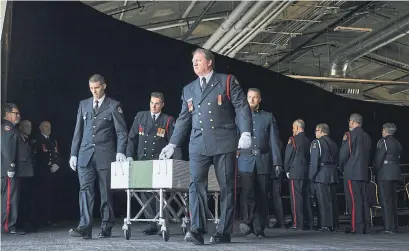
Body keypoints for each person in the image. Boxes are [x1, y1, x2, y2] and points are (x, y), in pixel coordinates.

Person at [159, 48, 252, 245]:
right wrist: (172, 143)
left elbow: (242, 106)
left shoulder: (226, 81)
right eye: (193, 60)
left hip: (224, 140)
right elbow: (184, 119)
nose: (194, 63)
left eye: (198, 60)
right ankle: (197, 229)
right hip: (198, 143)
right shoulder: (189, 89)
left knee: (226, 186)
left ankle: (223, 231)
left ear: (209, 62)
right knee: (195, 185)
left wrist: (245, 131)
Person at [68, 74, 128, 239]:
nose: (94, 91)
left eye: (97, 88)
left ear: (104, 86)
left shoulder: (113, 106)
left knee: (105, 192)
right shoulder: (84, 104)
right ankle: (84, 227)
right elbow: (77, 131)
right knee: (85, 190)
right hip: (85, 154)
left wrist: (121, 151)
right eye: (91, 88)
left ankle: (106, 225)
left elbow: (122, 132)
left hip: (105, 154)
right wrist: (74, 154)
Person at [126, 92, 182, 235]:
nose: (154, 106)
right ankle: (152, 223)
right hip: (142, 161)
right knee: (144, 193)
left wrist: (176, 163)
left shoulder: (168, 120)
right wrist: (128, 156)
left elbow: (174, 143)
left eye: (157, 103)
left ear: (162, 104)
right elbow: (132, 138)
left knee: (159, 195)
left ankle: (161, 222)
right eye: (152, 103)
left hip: (158, 163)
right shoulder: (141, 116)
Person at [237, 88, 282, 237]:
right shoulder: (239, 117)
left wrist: (277, 163)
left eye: (255, 97)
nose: (251, 100)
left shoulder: (268, 117)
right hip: (245, 159)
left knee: (262, 194)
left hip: (263, 160)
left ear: (259, 99)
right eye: (249, 97)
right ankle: (248, 222)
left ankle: (259, 227)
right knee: (248, 192)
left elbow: (274, 141)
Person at [339, 113, 371, 234]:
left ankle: (356, 227)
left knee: (353, 200)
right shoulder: (367, 136)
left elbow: (343, 154)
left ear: (352, 122)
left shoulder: (349, 135)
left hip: (351, 172)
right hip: (363, 172)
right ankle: (366, 226)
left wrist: (341, 168)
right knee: (363, 199)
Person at [309, 123, 339, 232]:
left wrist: (311, 176)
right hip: (332, 173)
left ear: (321, 131)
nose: (315, 133)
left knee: (323, 201)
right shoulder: (333, 143)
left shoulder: (316, 143)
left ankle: (325, 224)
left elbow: (314, 161)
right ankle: (334, 223)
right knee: (332, 200)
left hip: (321, 174)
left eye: (316, 130)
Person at [284, 119, 313, 230]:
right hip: (306, 172)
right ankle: (308, 222)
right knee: (306, 197)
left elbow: (288, 157)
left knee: (296, 199)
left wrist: (286, 170)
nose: (292, 130)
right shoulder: (308, 141)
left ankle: (298, 223)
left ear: (297, 127)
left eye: (293, 127)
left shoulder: (293, 139)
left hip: (295, 172)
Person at [373, 123, 402, 234]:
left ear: (386, 130)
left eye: (382, 129)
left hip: (385, 173)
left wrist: (376, 170)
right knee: (393, 200)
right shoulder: (397, 142)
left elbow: (379, 158)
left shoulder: (383, 142)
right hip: (395, 173)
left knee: (385, 200)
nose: (382, 131)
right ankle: (395, 226)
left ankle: (388, 227)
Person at [1, 103, 25, 235]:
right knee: (9, 198)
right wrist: (11, 166)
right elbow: (7, 149)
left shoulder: (11, 128)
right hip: (8, 170)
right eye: (16, 113)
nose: (18, 116)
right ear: (8, 114)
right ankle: (8, 226)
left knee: (11, 198)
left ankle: (11, 225)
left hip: (9, 170)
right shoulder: (7, 128)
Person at [34, 121, 62, 226]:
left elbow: (57, 154)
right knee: (42, 196)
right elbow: (37, 157)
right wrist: (47, 166)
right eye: (46, 126)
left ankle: (49, 218)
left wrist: (57, 164)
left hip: (53, 172)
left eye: (49, 127)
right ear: (40, 128)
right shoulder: (37, 140)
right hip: (42, 172)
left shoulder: (52, 140)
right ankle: (42, 219)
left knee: (51, 195)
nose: (48, 129)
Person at [16, 120, 35, 231]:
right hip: (21, 172)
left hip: (27, 172)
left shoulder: (27, 140)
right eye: (28, 126)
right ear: (22, 127)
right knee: (21, 198)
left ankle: (26, 222)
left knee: (27, 198)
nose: (30, 129)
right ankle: (20, 223)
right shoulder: (18, 138)